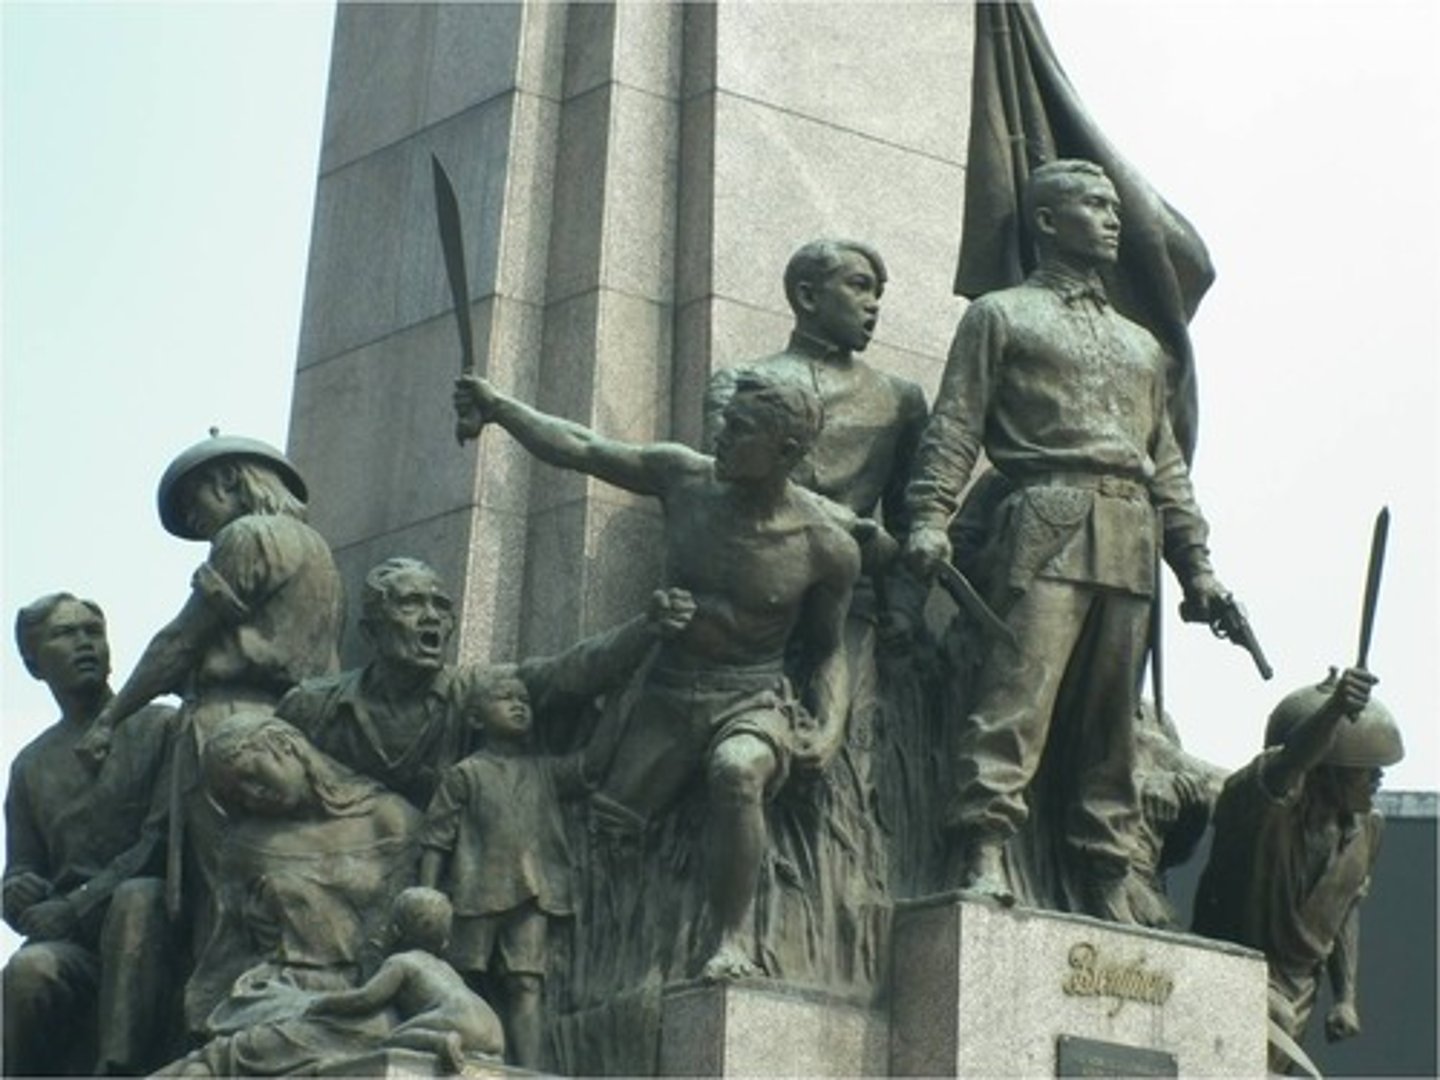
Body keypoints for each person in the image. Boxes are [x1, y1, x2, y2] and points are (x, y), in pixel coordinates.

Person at [903, 159, 1234, 916]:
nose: (1113, 219)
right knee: (1016, 696)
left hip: (1128, 531)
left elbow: (1167, 468)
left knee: (1111, 722)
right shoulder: (1002, 316)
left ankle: (1104, 866)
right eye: (1095, 204)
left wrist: (1198, 569)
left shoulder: (1142, 346)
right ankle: (983, 844)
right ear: (1048, 222)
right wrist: (927, 515)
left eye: (1115, 207)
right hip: (1043, 521)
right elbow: (956, 425)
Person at [453, 367, 860, 980]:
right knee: (610, 834)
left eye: (740, 428)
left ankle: (731, 941)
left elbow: (830, 649)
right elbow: (583, 447)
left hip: (750, 694)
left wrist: (829, 727)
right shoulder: (684, 479)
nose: (721, 434)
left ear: (788, 451)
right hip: (667, 692)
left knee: (737, 771)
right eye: (726, 421)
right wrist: (499, 408)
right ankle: (583, 970)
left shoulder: (825, 546)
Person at [703, 239, 929, 891]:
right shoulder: (743, 384)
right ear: (807, 295)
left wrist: (905, 612)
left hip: (849, 610)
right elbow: (725, 490)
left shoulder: (901, 400)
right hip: (755, 610)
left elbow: (911, 521)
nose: (873, 305)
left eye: (878, 293)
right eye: (859, 287)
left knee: (838, 766)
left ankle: (833, 890)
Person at [276, 556, 695, 810]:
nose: (431, 618)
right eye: (410, 604)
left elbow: (567, 672)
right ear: (371, 633)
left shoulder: (477, 691)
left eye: (440, 606)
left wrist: (646, 629)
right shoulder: (312, 708)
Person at [1192, 667, 1403, 1073]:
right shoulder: (1258, 808)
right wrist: (1335, 710)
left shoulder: (1368, 828)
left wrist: (1345, 996)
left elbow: (1343, 909)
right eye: (1364, 765)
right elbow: (1287, 765)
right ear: (1323, 768)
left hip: (1301, 987)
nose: (1378, 777)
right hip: (1231, 974)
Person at [3, 594, 177, 1075]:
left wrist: (74, 906)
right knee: (26, 973)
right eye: (64, 634)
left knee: (134, 899)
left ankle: (118, 1071)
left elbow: (160, 843)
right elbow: (22, 865)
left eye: (92, 632)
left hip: (151, 916)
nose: (85, 644)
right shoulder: (30, 766)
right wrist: (15, 891)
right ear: (34, 664)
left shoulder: (161, 725)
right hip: (74, 944)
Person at [190, 711, 421, 1034]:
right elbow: (220, 961)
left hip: (376, 990)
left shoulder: (389, 819)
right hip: (279, 993)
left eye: (252, 776)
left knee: (374, 1028)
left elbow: (417, 926)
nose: (253, 794)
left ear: (285, 745)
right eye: (239, 795)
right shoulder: (245, 846)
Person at [419, 673, 585, 1068]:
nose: (519, 705)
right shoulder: (465, 774)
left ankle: (528, 1069)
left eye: (524, 699)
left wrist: (624, 704)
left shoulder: (545, 771)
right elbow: (436, 838)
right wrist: (428, 899)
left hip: (532, 895)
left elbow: (590, 766)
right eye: (505, 698)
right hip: (474, 894)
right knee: (464, 979)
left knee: (527, 982)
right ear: (476, 719)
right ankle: (467, 1054)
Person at [304, 888, 505, 1072]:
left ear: (395, 931)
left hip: (456, 1021)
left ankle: (440, 1042)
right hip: (493, 1030)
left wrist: (324, 1003)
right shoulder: (447, 969)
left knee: (392, 1038)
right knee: (471, 1040)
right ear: (445, 942)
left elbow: (365, 999)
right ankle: (482, 1056)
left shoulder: (401, 962)